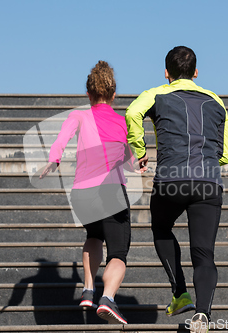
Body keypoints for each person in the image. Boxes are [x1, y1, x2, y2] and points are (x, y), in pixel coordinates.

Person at [125, 46, 228, 333]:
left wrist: (140, 149)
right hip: (209, 182)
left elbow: (133, 113)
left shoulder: (156, 94)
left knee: (161, 228)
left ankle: (179, 292)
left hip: (171, 178)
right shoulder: (217, 102)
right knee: (204, 254)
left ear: (166, 73)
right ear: (196, 72)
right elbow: (226, 155)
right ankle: (203, 314)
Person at [40, 60, 140, 325]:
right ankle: (107, 298)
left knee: (94, 234)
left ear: (88, 93)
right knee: (118, 252)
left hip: (82, 194)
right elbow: (130, 161)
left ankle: (87, 289)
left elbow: (62, 138)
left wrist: (54, 159)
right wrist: (139, 163)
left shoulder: (79, 115)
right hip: (110, 192)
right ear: (114, 94)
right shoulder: (121, 122)